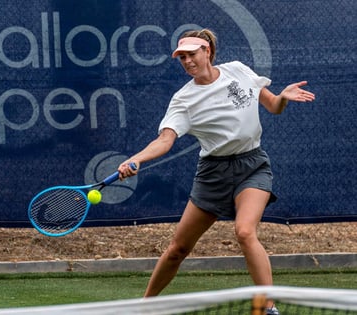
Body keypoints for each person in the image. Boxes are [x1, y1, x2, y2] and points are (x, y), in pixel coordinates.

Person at [118, 28, 315, 315]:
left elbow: (272, 106)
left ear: (207, 51)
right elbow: (165, 140)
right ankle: (145, 307)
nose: (186, 61)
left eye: (191, 54)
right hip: (213, 174)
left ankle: (267, 308)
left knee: (245, 232)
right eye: (181, 57)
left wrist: (283, 96)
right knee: (177, 249)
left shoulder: (238, 70)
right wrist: (136, 159)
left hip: (252, 165)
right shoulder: (183, 100)